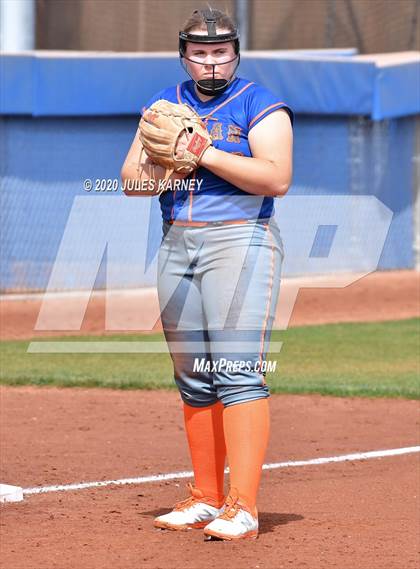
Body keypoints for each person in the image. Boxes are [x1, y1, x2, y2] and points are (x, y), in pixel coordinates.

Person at [121, 8, 293, 541]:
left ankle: (242, 506)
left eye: (220, 52)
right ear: (185, 56)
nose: (211, 62)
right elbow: (130, 181)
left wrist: (206, 152)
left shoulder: (261, 105)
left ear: (235, 54)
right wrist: (166, 163)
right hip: (177, 242)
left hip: (240, 240)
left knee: (238, 371)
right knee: (194, 375)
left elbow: (276, 178)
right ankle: (206, 497)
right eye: (200, 53)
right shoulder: (162, 107)